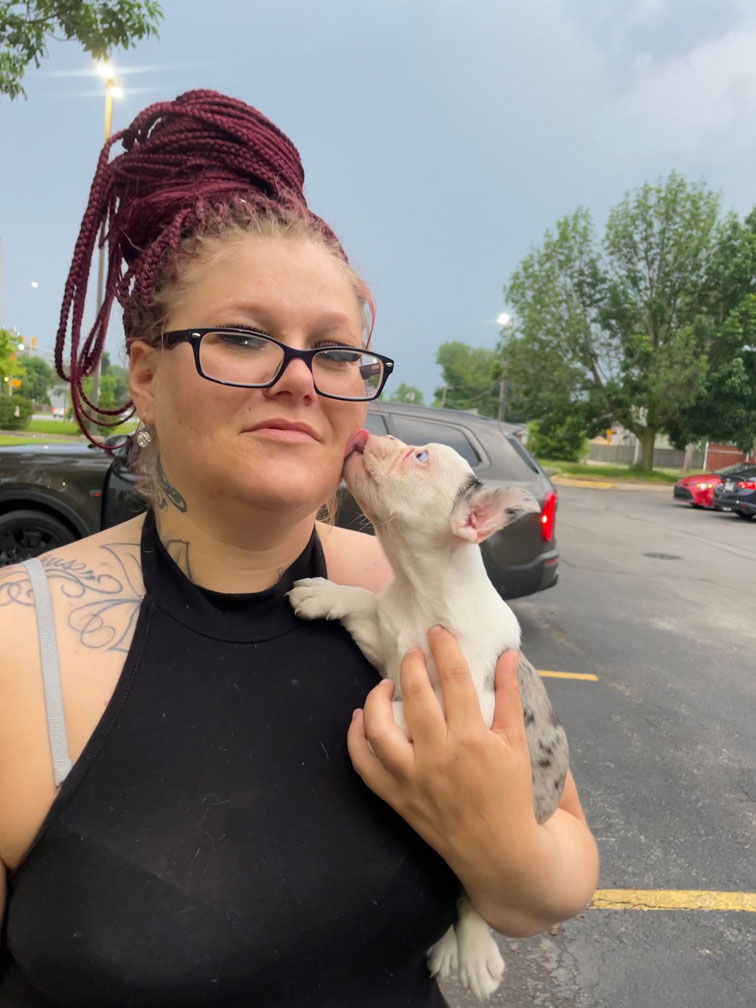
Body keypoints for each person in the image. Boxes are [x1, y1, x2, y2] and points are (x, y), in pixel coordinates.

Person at [0, 90, 598, 1006]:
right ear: (146, 375)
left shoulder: (409, 598)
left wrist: (498, 845)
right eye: (244, 337)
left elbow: (551, 890)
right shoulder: (18, 650)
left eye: (335, 351)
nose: (298, 379)